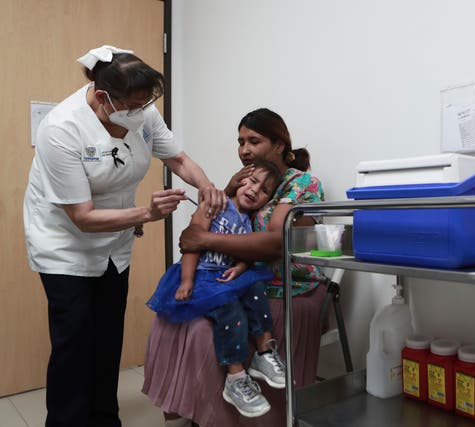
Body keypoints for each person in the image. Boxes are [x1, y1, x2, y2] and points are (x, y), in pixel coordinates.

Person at [22, 45, 226, 427]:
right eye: (133, 105)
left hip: (114, 243)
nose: (141, 112)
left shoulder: (142, 111)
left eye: (146, 103)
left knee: (107, 335)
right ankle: (67, 420)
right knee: (74, 341)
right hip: (65, 245)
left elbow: (177, 158)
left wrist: (207, 186)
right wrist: (147, 213)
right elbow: (81, 217)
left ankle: (104, 418)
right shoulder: (61, 128)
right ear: (103, 97)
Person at [143, 108, 327, 427]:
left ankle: (236, 407)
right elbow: (191, 237)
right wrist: (226, 193)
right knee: (178, 321)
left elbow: (274, 243)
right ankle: (198, 413)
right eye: (240, 142)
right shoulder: (245, 183)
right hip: (231, 281)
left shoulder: (302, 184)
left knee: (206, 330)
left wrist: (206, 239)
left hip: (285, 284)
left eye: (253, 141)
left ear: (280, 144)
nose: (244, 150)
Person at [146, 159, 285, 418]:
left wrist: (242, 267)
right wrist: (187, 281)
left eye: (264, 190)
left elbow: (247, 251)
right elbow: (192, 243)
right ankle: (235, 377)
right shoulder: (215, 204)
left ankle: (263, 354)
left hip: (224, 276)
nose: (255, 190)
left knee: (255, 286)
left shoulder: (250, 220)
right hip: (201, 276)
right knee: (231, 311)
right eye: (253, 181)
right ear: (239, 179)